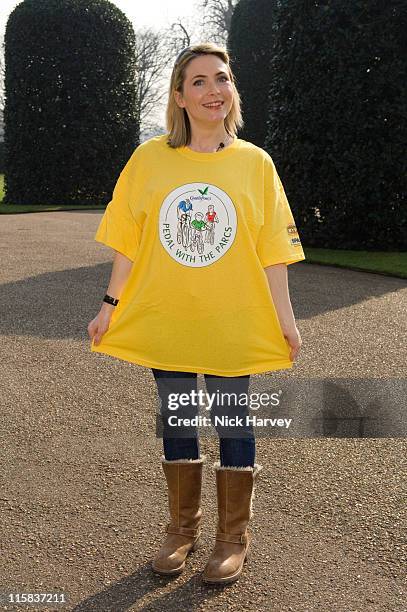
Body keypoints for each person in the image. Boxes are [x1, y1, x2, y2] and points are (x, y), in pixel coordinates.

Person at [87, 42, 306, 585]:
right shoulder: (149, 159)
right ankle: (181, 529)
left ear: (233, 91)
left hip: (234, 318)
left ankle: (232, 538)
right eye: (200, 82)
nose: (214, 90)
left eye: (222, 79)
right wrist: (109, 306)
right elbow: (127, 240)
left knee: (233, 421)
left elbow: (273, 249)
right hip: (170, 315)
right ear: (180, 97)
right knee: (179, 420)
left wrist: (286, 318)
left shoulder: (257, 163)